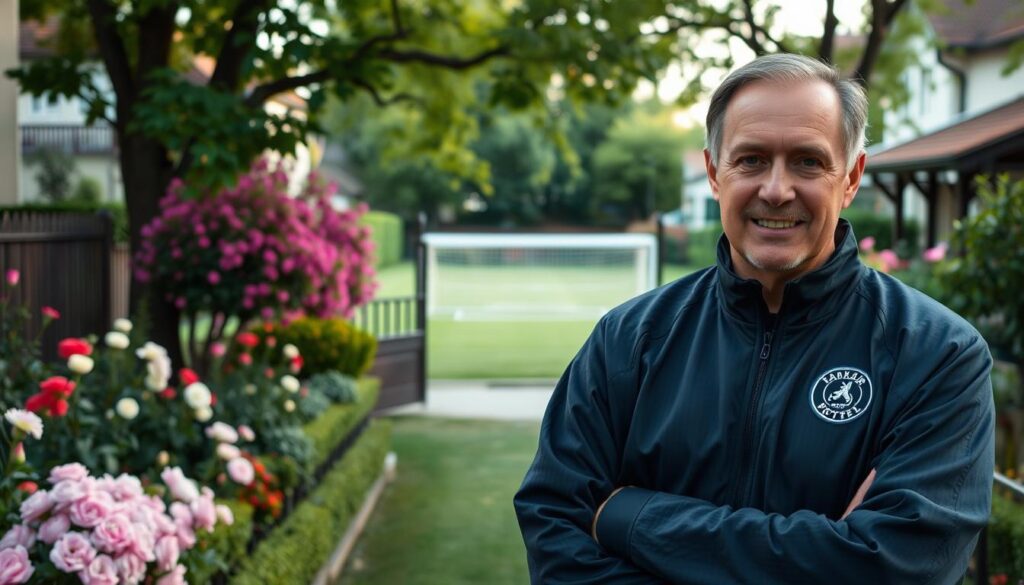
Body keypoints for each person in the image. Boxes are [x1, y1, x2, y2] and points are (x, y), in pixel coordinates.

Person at [513, 53, 994, 584]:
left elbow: (899, 571)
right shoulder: (627, 341)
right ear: (715, 174)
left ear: (852, 177)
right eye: (751, 160)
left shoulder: (937, 355)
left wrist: (634, 516)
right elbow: (556, 539)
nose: (776, 189)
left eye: (808, 161)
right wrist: (828, 549)